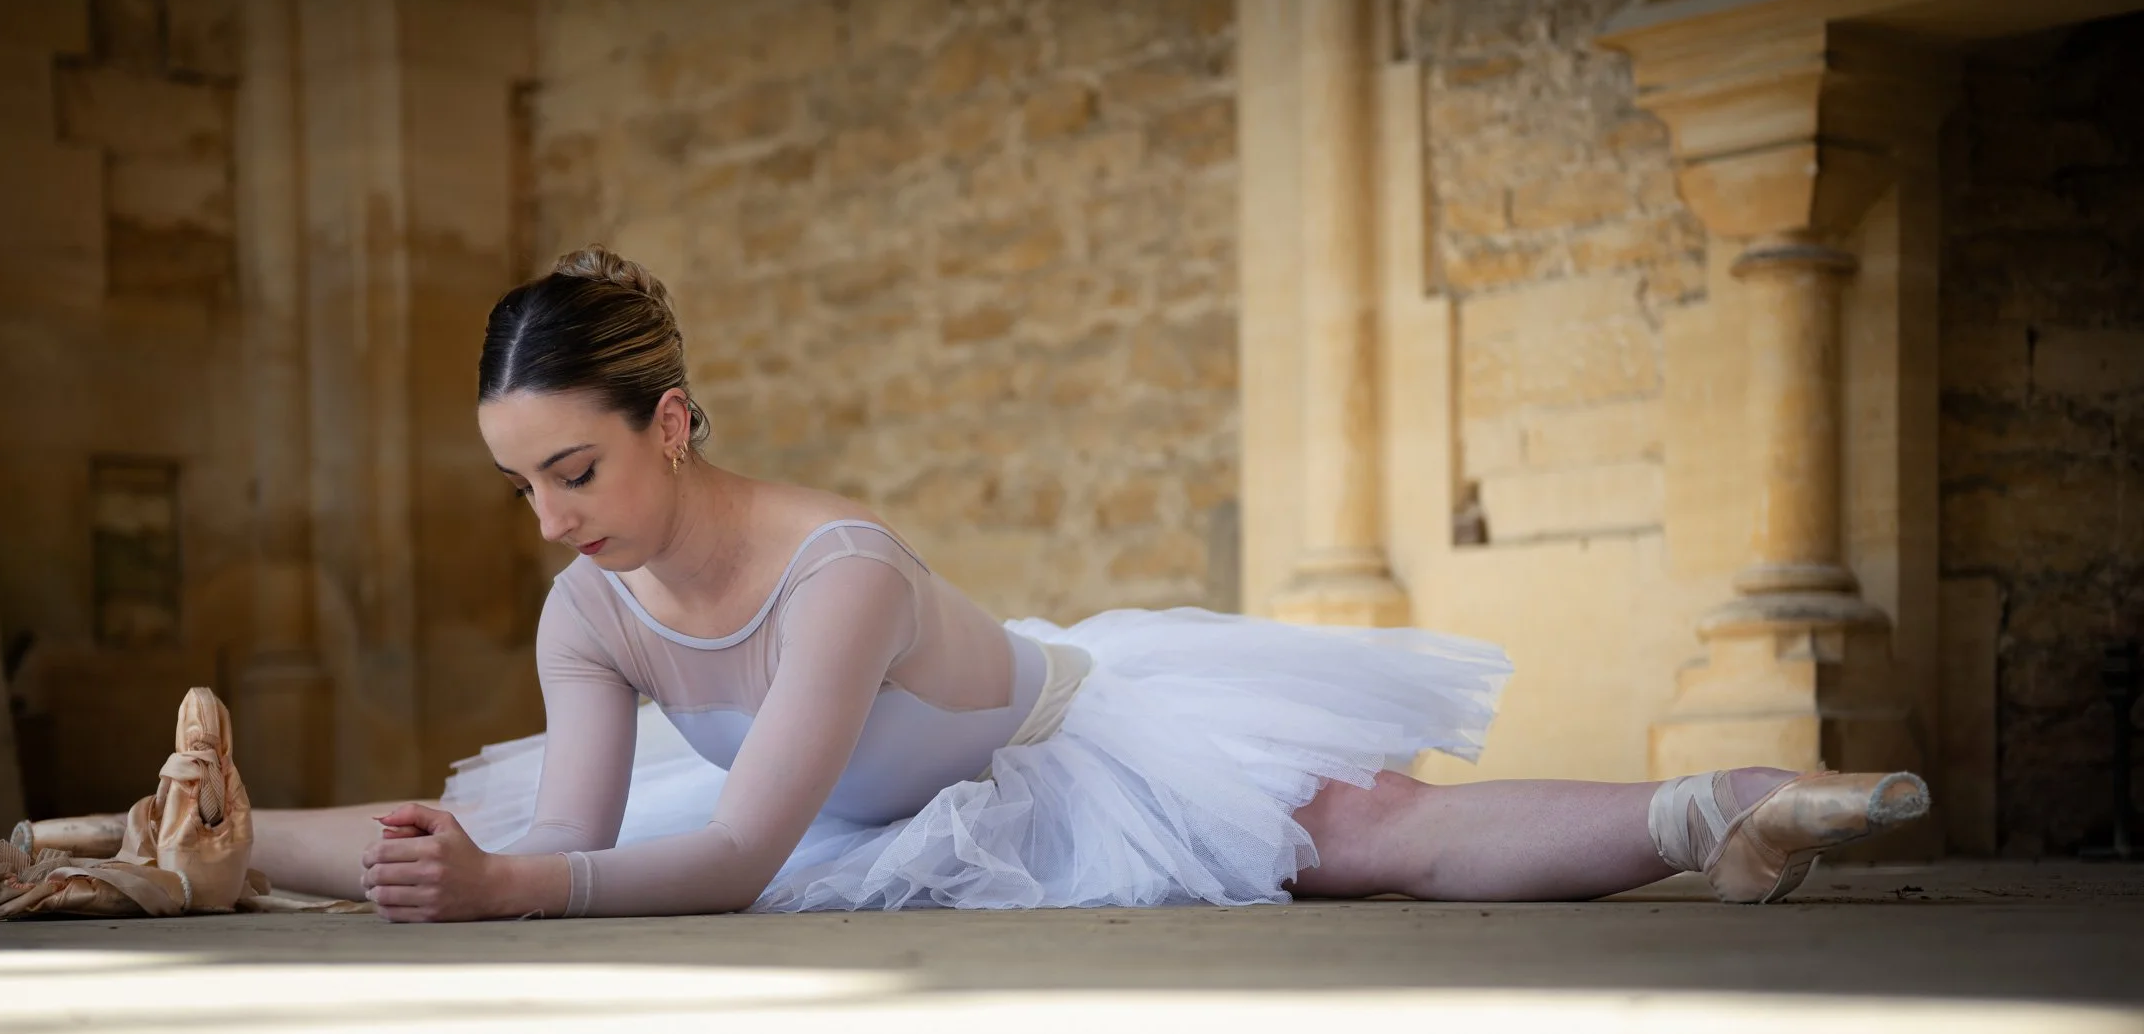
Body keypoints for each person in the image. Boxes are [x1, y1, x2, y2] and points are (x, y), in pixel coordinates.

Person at [233, 247, 1931, 922]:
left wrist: (518, 895)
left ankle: (1732, 805)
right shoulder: (586, 609)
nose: (546, 518)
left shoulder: (840, 570)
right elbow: (561, 844)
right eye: (520, 482)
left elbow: (736, 857)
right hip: (829, 803)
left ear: (670, 423)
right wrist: (464, 877)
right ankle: (202, 848)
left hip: (1053, 741)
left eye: (575, 470)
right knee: (481, 818)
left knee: (1362, 842)